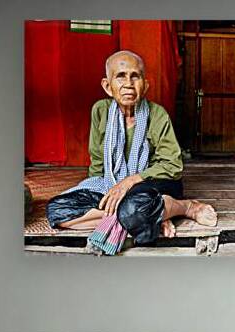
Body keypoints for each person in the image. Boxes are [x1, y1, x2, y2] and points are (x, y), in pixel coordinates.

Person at [46, 50, 216, 243]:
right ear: (108, 86)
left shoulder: (157, 114)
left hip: (153, 185)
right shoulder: (100, 111)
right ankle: (154, 215)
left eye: (135, 76)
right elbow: (98, 163)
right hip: (114, 185)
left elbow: (172, 166)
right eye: (121, 76)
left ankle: (185, 207)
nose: (128, 84)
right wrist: (103, 192)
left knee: (134, 206)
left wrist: (128, 182)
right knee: (57, 210)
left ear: (145, 85)